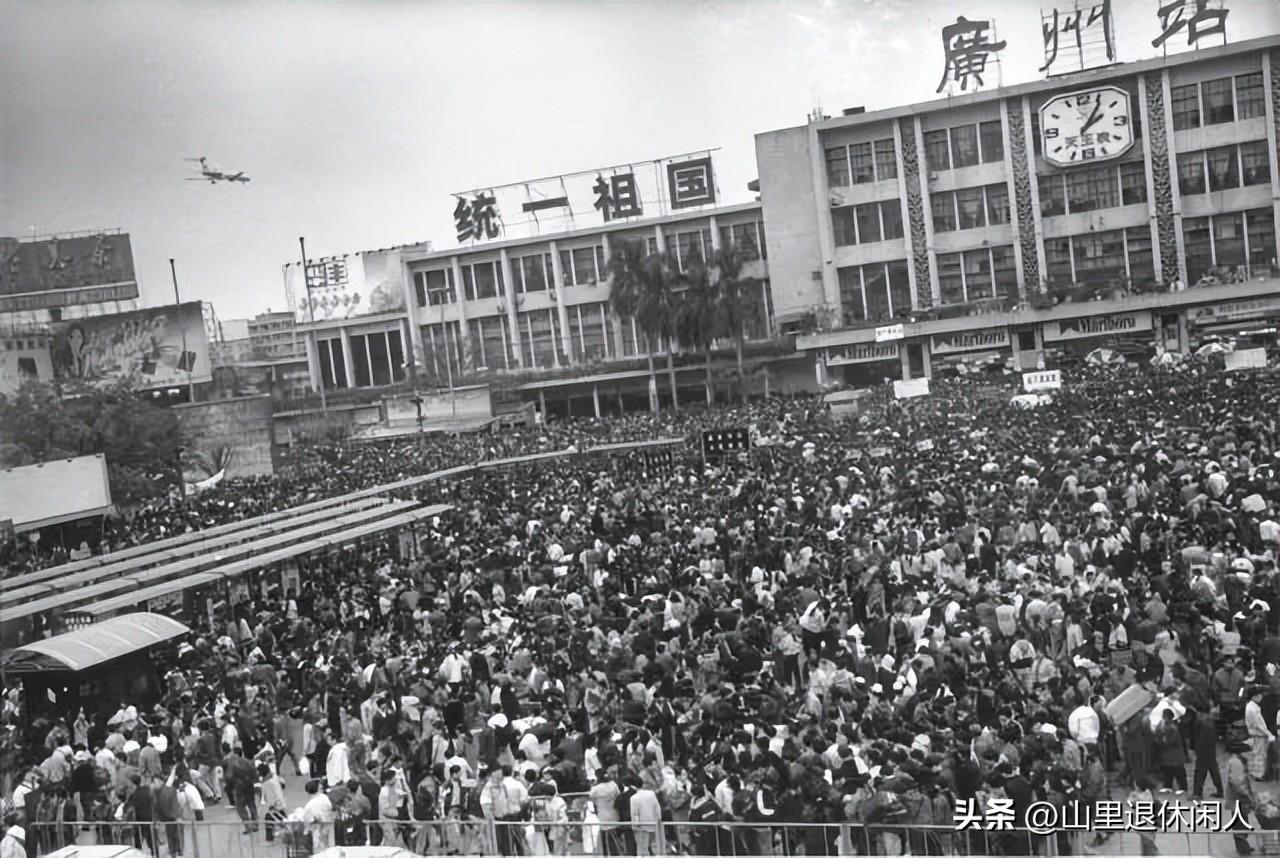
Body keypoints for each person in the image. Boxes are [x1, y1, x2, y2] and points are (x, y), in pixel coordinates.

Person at [1225, 737, 1258, 855]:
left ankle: (1243, 847)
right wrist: (1247, 794)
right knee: (1240, 824)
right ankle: (1243, 849)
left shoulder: (1235, 761)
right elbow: (1237, 782)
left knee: (1241, 823)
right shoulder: (1236, 763)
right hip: (1238, 798)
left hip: (1237, 799)